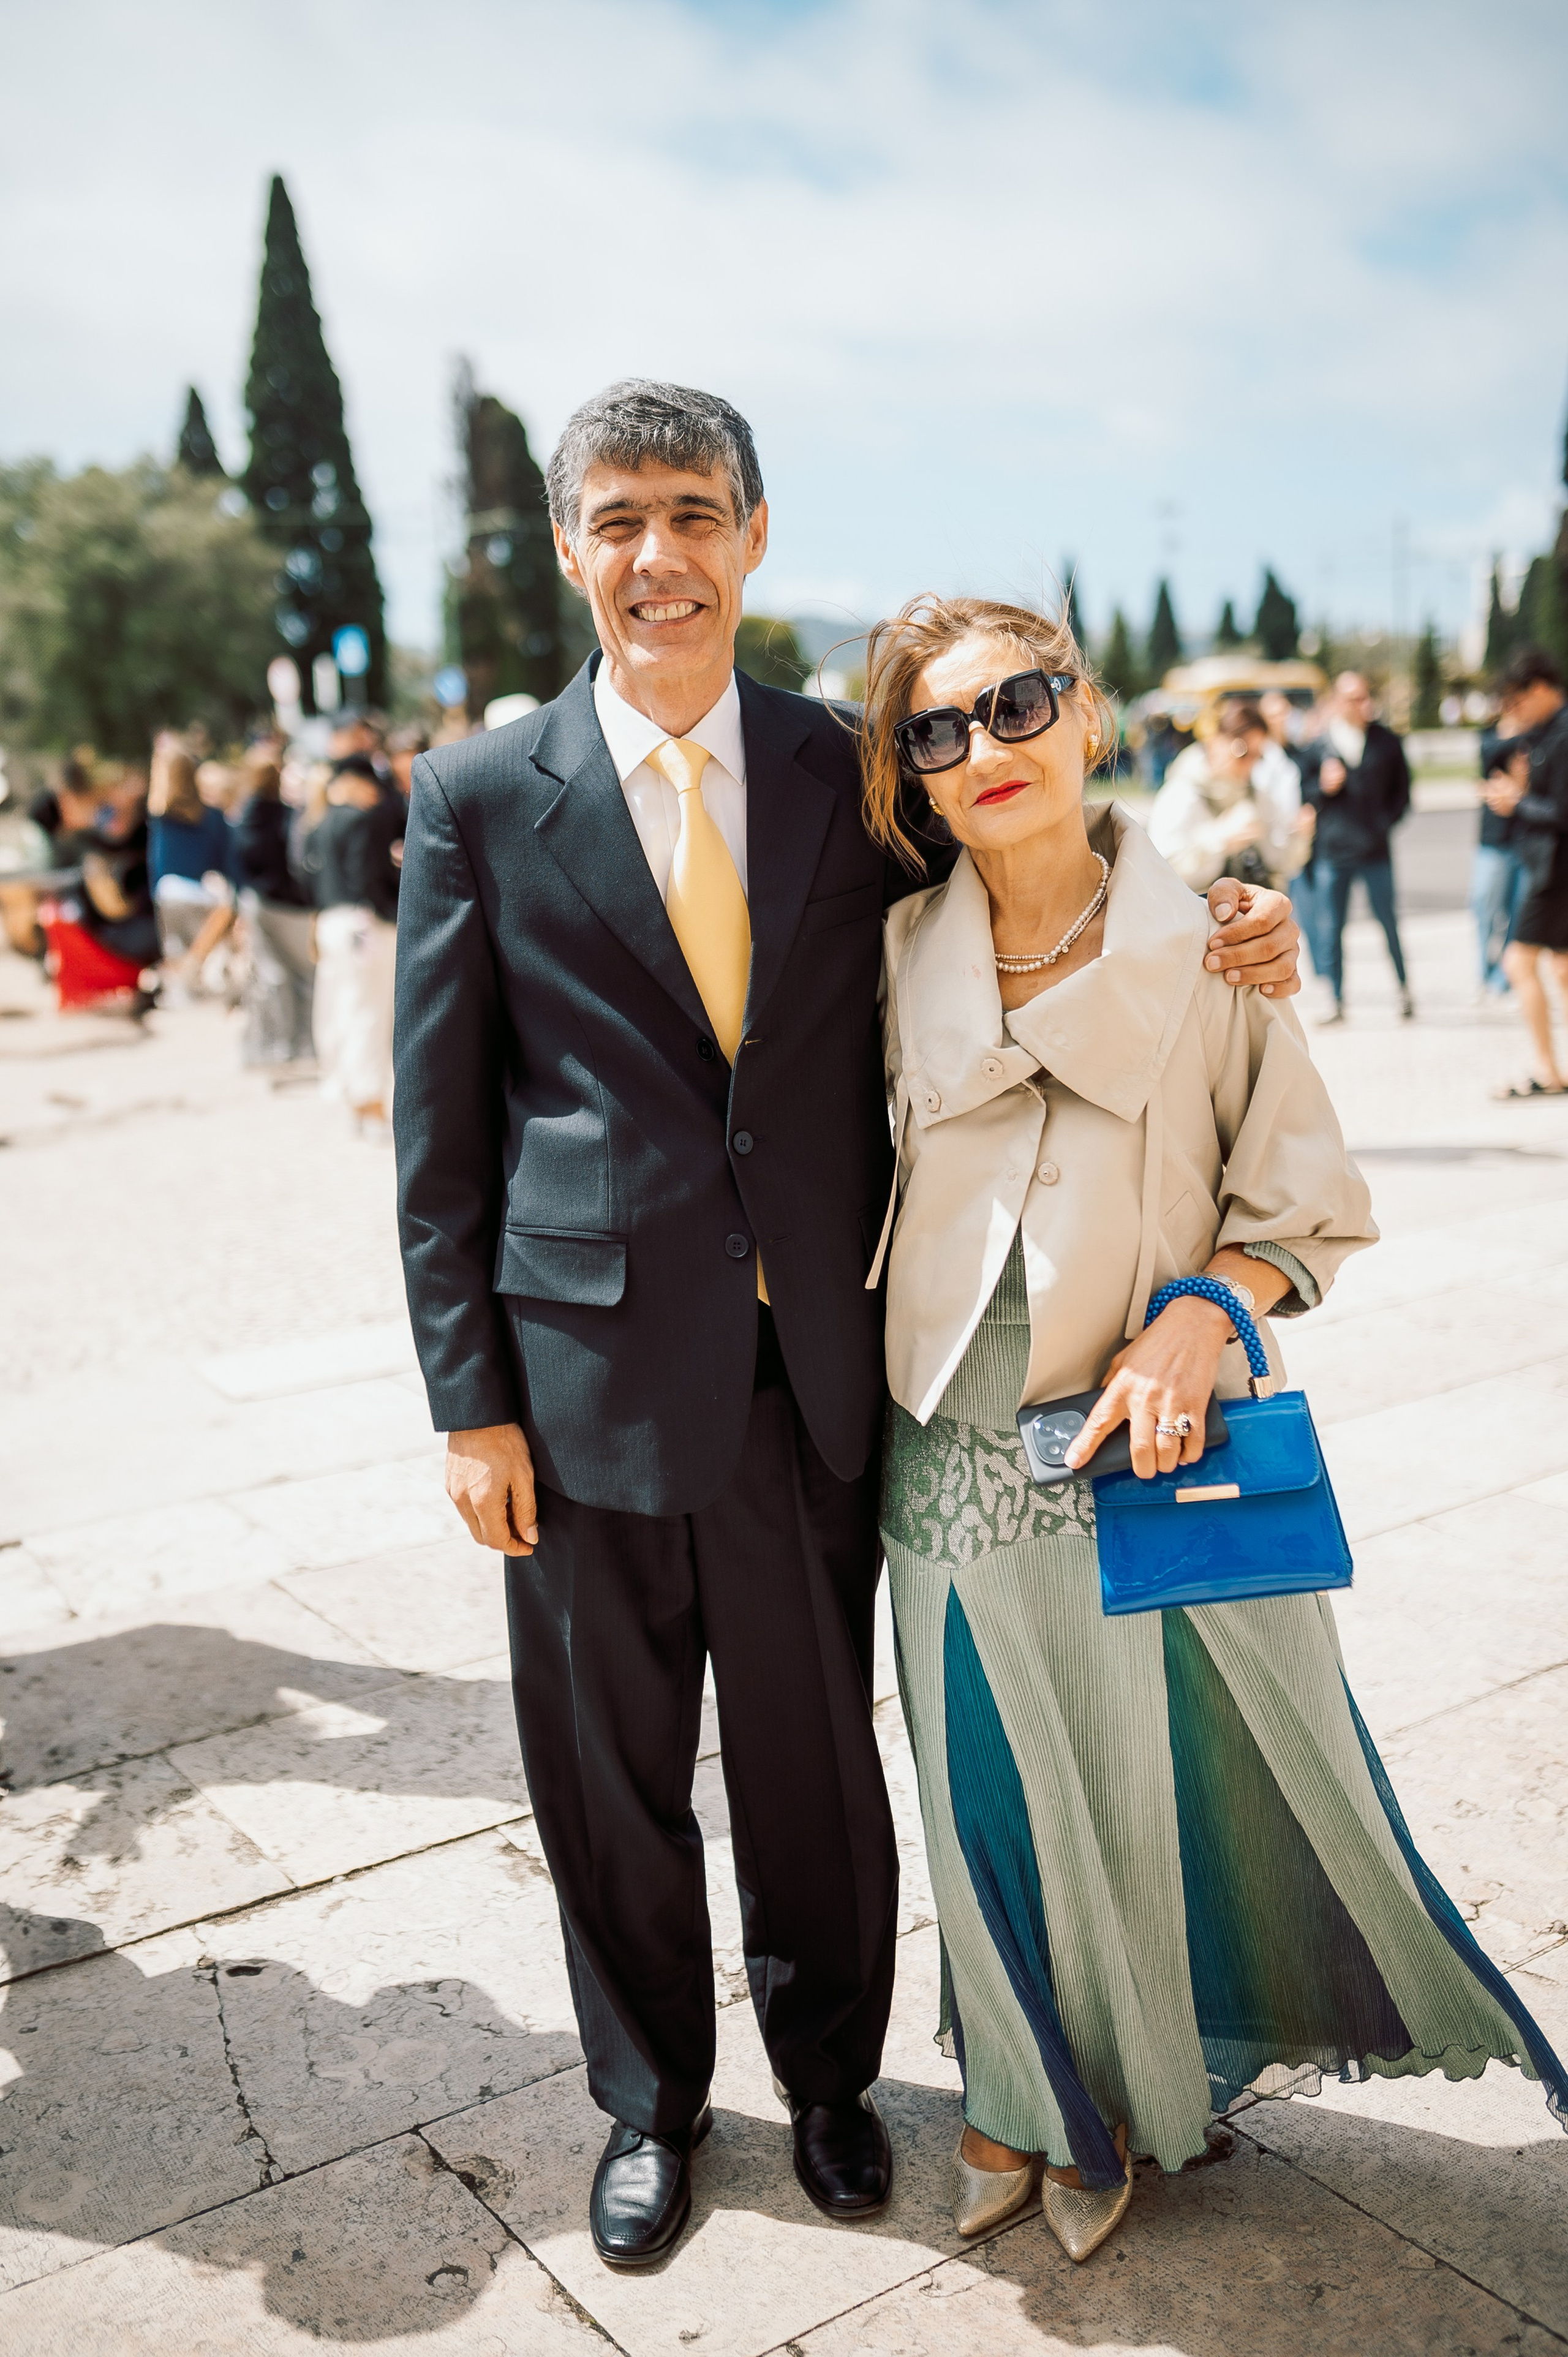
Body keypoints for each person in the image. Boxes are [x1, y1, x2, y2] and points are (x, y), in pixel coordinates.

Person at [391, 379, 1303, 2272]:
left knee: (817, 1767)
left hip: (816, 1371)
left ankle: (825, 2080)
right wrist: (470, 1405)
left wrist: (1220, 915)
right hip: (576, 1394)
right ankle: (645, 2101)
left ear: (753, 534)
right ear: (573, 548)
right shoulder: (477, 796)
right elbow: (440, 1129)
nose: (660, 554)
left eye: (695, 512)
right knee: (608, 1769)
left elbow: (1026, 864)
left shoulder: (841, 773)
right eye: (620, 518)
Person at [863, 592, 1566, 2263]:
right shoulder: (885, 955)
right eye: (940, 729)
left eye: (1021, 702)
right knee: (975, 1775)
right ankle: (1016, 2093)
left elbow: (1304, 1205)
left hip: (1141, 1431)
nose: (991, 746)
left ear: (1090, 716)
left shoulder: (1215, 945)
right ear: (915, 776)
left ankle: (1123, 2091)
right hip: (941, 1436)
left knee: (1132, 1767)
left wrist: (1200, 1314)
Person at [1298, 674, 1413, 1024]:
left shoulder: (1387, 742)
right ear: (1337, 701)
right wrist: (1322, 787)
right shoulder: (1319, 746)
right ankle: (1335, 1000)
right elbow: (1303, 794)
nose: (1360, 704)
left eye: (1364, 697)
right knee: (1331, 927)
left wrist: (1383, 824)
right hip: (1334, 852)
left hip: (1375, 850)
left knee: (1388, 923)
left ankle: (1404, 990)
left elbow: (1403, 794)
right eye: (1352, 698)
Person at [1481, 647, 1568, 1096]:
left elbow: (1563, 810)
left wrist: (1518, 803)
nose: (1514, 712)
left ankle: (1548, 1070)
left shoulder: (1563, 732)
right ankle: (1555, 1068)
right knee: (1562, 968)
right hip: (1549, 864)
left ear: (1538, 689)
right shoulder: (1545, 732)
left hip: (1555, 868)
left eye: (1517, 701)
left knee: (1519, 964)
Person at [306, 752, 402, 1131]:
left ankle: (350, 1094)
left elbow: (306, 878)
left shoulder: (317, 824)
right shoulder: (359, 821)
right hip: (362, 924)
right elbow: (366, 877)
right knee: (369, 1013)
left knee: (340, 1011)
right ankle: (369, 1101)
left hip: (329, 921)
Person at [1147, 701, 1310, 894]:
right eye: (1242, 752)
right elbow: (1157, 872)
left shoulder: (1256, 794)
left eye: (1258, 756)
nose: (1249, 765)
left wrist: (1300, 837)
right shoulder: (1181, 793)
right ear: (1214, 741)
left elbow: (1280, 863)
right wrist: (1219, 841)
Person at [233, 752, 315, 1066]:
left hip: (257, 902)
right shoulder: (285, 815)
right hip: (291, 905)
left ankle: (278, 1046)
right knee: (306, 976)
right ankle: (306, 1045)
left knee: (272, 977)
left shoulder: (244, 816)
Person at [147, 739, 236, 998]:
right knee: (226, 907)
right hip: (202, 894)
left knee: (177, 946)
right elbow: (227, 862)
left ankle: (184, 977)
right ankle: (195, 965)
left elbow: (156, 864)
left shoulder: (159, 817)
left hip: (167, 893)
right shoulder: (212, 817)